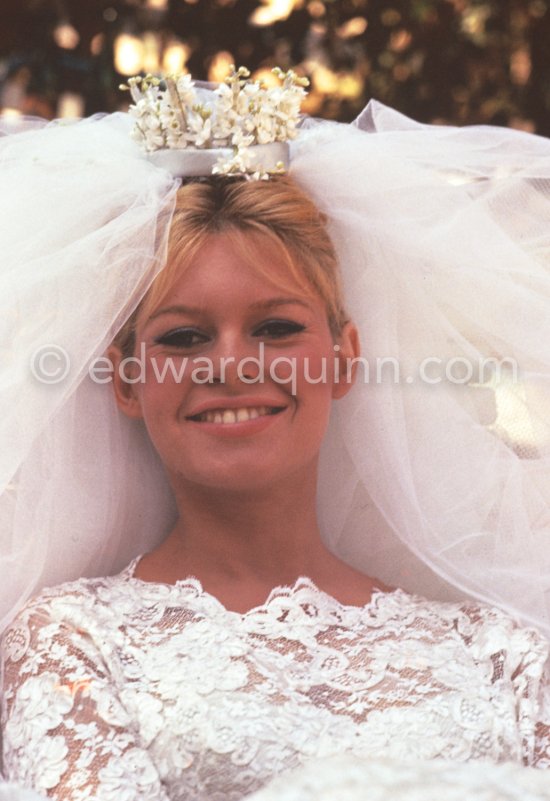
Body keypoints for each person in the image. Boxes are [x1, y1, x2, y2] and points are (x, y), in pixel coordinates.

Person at [1, 71, 550, 799]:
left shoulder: (502, 652)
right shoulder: (71, 642)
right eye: (186, 336)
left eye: (276, 327)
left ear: (344, 357)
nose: (232, 364)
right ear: (128, 378)